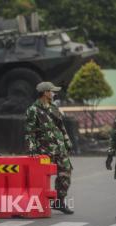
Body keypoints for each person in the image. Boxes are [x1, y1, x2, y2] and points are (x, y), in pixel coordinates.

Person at [25, 82, 74, 215]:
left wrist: (67, 141)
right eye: (52, 91)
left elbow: (61, 127)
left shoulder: (53, 107)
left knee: (65, 173)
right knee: (40, 178)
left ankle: (59, 202)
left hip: (59, 147)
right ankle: (36, 203)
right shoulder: (33, 110)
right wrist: (32, 149)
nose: (54, 93)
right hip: (44, 150)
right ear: (45, 93)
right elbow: (30, 132)